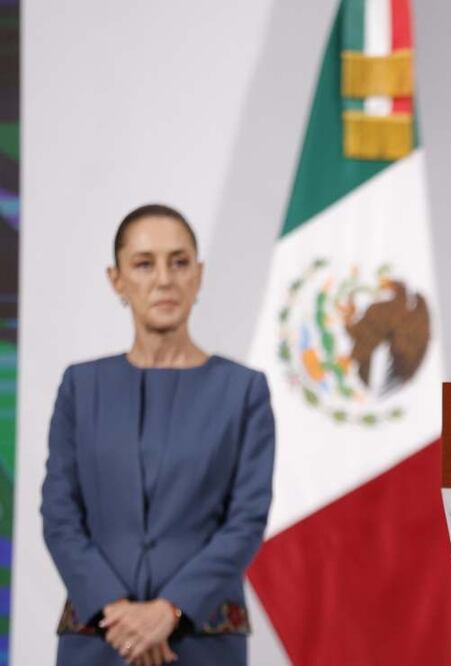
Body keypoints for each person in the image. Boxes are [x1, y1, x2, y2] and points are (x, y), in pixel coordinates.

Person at [41, 204, 275, 665]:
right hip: (98, 639)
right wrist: (119, 612)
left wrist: (170, 611)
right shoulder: (80, 386)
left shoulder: (243, 391)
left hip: (202, 640)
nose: (164, 279)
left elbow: (246, 520)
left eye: (179, 261)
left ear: (199, 275)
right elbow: (59, 514)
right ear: (117, 280)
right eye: (144, 264)